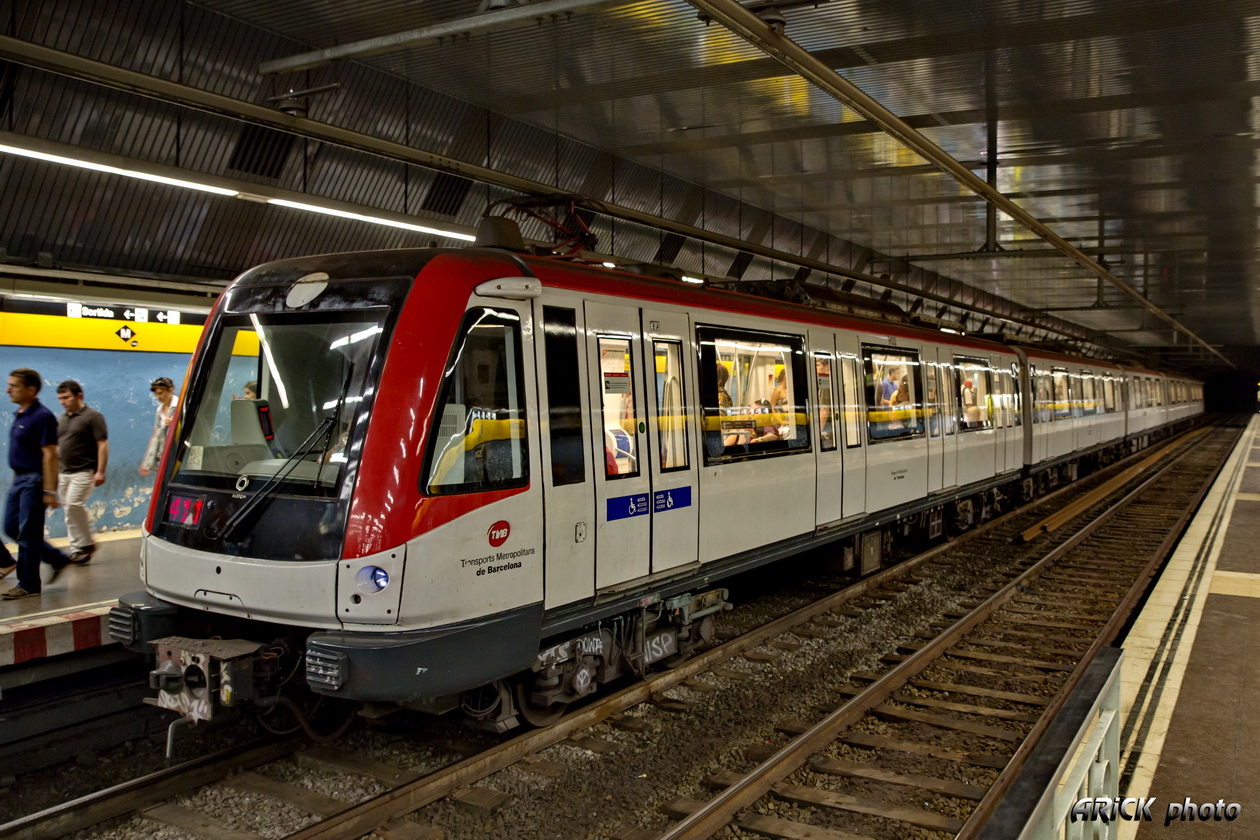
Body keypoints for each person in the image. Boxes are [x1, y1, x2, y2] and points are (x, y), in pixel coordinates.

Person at [2, 368, 70, 599]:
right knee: (11, 527)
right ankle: (56, 557)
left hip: (34, 481)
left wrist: (50, 490)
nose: (8, 389)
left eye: (14, 385)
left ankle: (29, 584)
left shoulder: (42, 416)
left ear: (31, 389)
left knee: (28, 534)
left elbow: (50, 455)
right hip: (19, 479)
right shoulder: (22, 414)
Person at [56, 381, 109, 566]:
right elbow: (57, 446)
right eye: (60, 399)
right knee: (69, 511)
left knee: (73, 505)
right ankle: (77, 549)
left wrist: (100, 471)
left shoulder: (93, 417)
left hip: (84, 471)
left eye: (66, 397)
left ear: (79, 395)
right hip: (63, 472)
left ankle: (87, 544)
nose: (63, 402)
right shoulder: (62, 418)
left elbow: (102, 444)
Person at [140, 377, 178, 478]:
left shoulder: (180, 406)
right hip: (164, 454)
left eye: (160, 393)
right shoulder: (159, 410)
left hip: (178, 454)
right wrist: (147, 460)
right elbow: (155, 434)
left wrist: (175, 423)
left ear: (170, 389)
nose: (158, 397)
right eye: (156, 394)